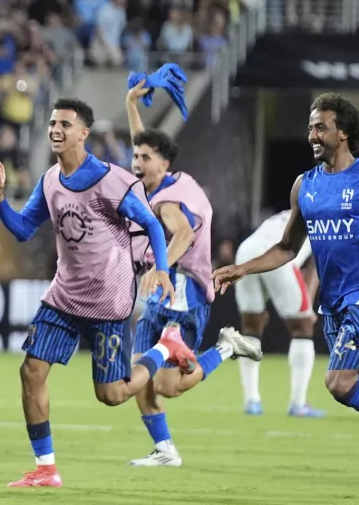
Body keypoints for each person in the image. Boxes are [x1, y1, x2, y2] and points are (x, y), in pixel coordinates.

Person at [212, 92, 359, 505]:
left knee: (339, 383)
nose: (312, 134)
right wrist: (240, 268)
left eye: (321, 127)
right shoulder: (305, 185)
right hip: (335, 307)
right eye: (310, 127)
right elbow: (287, 248)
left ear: (344, 132)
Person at [0, 97, 197, 489]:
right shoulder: (50, 180)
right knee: (31, 371)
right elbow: (22, 229)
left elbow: (152, 224)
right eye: (52, 123)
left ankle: (165, 348)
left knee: (112, 394)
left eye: (64, 124)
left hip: (108, 301)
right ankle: (46, 469)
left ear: (83, 133)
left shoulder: (110, 179)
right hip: (64, 297)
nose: (55, 130)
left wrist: (162, 269)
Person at [124, 82, 261, 468]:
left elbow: (184, 233)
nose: (136, 162)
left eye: (143, 158)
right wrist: (130, 103)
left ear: (162, 164)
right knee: (139, 376)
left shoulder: (167, 200)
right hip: (163, 285)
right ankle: (165, 450)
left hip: (184, 288)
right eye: (135, 156)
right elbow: (145, 144)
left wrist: (159, 268)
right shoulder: (163, 179)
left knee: (167, 385)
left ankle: (225, 348)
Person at [234, 209, 326, 418]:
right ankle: (298, 403)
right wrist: (307, 308)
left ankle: (252, 400)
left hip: (246, 251)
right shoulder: (328, 221)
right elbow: (318, 265)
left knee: (250, 327)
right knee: (302, 327)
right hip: (278, 254)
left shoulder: (291, 210)